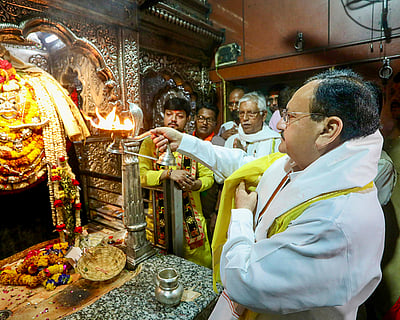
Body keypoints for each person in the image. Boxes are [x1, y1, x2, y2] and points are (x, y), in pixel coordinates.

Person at [150, 69, 384, 319]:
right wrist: (184, 142)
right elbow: (245, 164)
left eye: (290, 116)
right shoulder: (306, 163)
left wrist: (241, 215)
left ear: (329, 129)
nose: (280, 123)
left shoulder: (337, 221)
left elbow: (245, 281)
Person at [139, 97, 214, 268]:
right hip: (159, 220)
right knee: (162, 269)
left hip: (191, 220)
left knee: (198, 270)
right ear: (163, 116)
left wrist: (196, 185)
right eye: (169, 114)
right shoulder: (150, 142)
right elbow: (141, 176)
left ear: (188, 119)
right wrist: (168, 173)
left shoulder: (195, 144)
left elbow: (208, 177)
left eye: (179, 116)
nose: (173, 119)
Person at [193, 103, 224, 240]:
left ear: (216, 123)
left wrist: (217, 212)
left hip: (210, 203)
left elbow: (224, 182)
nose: (204, 123)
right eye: (201, 118)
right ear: (194, 118)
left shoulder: (220, 144)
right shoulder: (187, 140)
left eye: (209, 120)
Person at [224, 92, 281, 160]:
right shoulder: (231, 140)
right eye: (241, 113)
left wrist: (242, 156)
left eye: (251, 113)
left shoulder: (276, 141)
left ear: (263, 115)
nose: (245, 118)